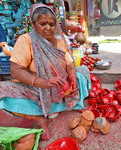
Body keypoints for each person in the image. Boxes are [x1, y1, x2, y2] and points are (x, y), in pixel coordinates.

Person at [0, 3, 91, 141]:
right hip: (36, 90)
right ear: (33, 24)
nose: (48, 28)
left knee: (83, 71)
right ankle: (38, 118)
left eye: (52, 24)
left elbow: (70, 64)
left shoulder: (60, 42)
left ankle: (68, 103)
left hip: (62, 89)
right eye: (43, 24)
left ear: (56, 26)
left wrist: (72, 77)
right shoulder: (26, 40)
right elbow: (15, 70)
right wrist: (43, 82)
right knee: (2, 91)